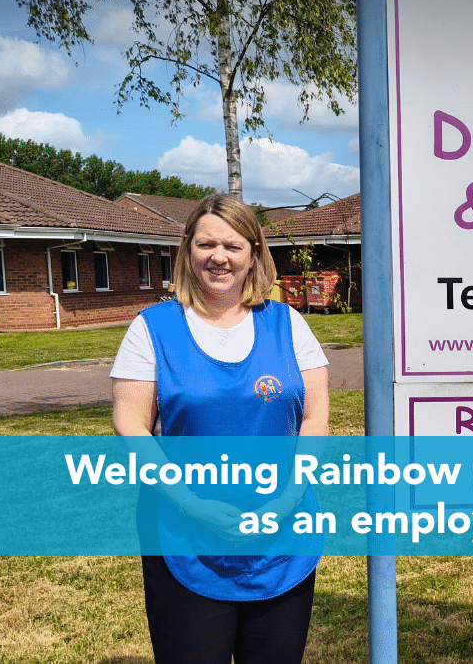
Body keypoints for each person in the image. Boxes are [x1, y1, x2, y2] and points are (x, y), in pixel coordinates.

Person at [111, 193, 329, 664]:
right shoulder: (151, 329)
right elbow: (130, 423)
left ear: (254, 252)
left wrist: (288, 500)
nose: (219, 257)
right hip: (182, 534)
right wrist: (191, 504)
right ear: (187, 249)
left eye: (232, 245)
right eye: (206, 243)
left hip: (282, 535)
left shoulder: (289, 325)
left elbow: (315, 418)